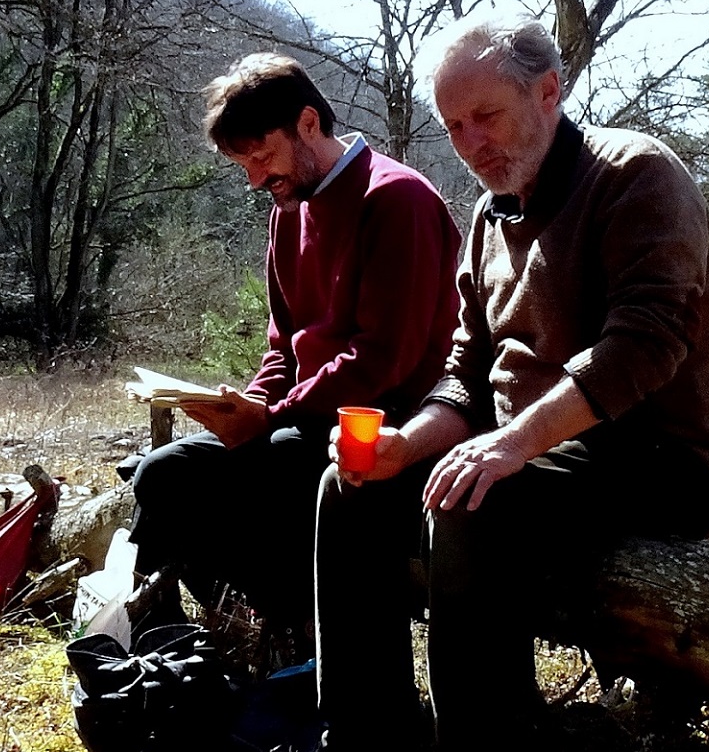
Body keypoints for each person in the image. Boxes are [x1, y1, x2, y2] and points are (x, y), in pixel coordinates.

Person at [316, 13, 709, 752]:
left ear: (549, 93)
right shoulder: (488, 217)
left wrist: (512, 444)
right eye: (453, 127)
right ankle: (362, 750)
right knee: (353, 486)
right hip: (539, 446)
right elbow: (465, 377)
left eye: (487, 116)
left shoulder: (635, 176)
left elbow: (645, 344)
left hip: (659, 454)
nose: (470, 142)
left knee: (476, 501)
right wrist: (409, 444)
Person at [127, 55, 460, 652]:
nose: (256, 179)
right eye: (244, 165)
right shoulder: (290, 209)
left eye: (261, 157)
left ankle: (304, 644)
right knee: (162, 477)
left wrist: (272, 418)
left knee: (269, 476)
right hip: (307, 421)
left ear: (309, 123)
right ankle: (270, 628)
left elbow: (385, 358)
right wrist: (250, 403)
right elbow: (284, 344)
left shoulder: (396, 200)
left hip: (391, 429)